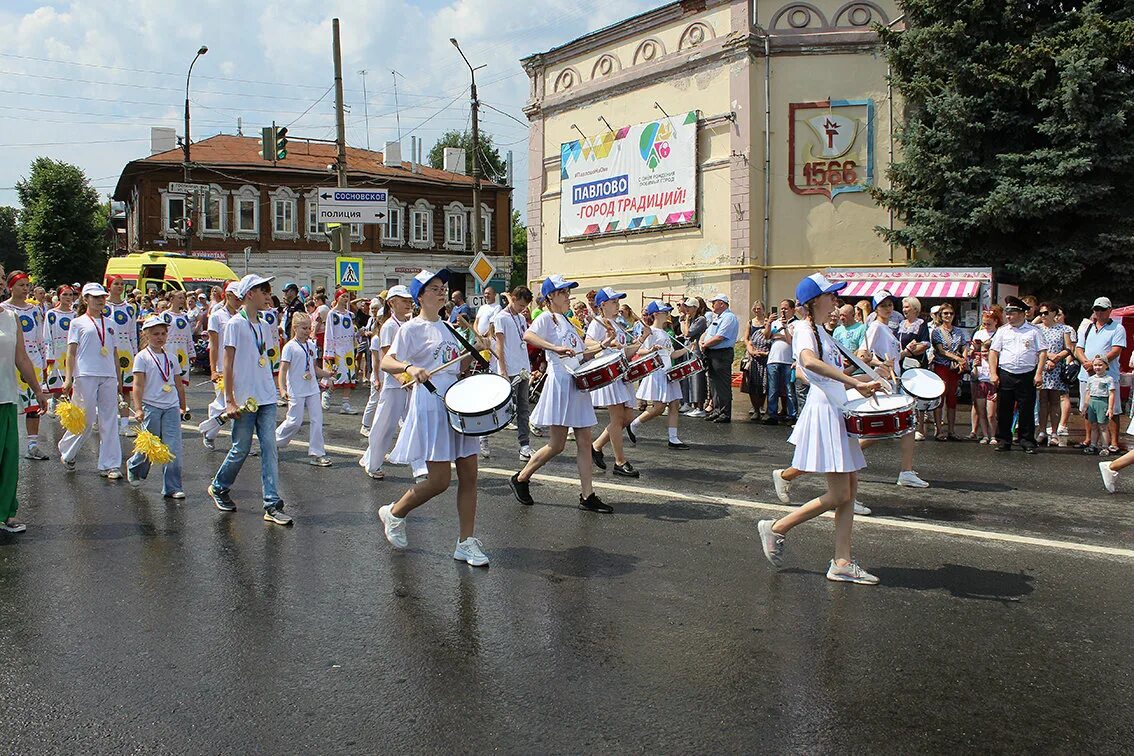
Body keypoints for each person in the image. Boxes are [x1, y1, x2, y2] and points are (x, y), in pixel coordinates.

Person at [756, 273, 883, 585]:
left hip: (836, 408)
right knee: (840, 493)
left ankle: (842, 561)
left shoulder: (825, 332)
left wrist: (868, 374)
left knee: (849, 492)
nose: (836, 301)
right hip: (826, 412)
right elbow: (809, 363)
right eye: (831, 296)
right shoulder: (803, 329)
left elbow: (829, 371)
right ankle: (777, 527)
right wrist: (854, 381)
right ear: (814, 302)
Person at [377, 269, 488, 566]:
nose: (441, 292)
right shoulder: (411, 329)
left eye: (443, 288)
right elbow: (387, 360)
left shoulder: (450, 327)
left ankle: (466, 542)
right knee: (439, 481)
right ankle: (395, 512)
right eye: (435, 288)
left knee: (470, 475)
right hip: (431, 403)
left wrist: (476, 350)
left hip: (458, 403)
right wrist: (409, 368)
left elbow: (454, 366)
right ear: (420, 296)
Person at [510, 274, 614, 513]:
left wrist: (605, 343)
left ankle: (588, 496)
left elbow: (582, 353)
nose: (568, 297)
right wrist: (554, 347)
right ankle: (521, 478)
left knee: (585, 442)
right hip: (561, 382)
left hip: (576, 382)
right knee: (557, 445)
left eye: (568, 292)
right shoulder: (547, 317)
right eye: (563, 293)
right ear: (551, 297)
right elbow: (528, 336)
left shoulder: (568, 321)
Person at [207, 274, 291, 525]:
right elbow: (228, 363)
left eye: (268, 291)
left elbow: (263, 359)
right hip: (245, 400)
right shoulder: (234, 324)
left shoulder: (263, 324)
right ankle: (219, 486)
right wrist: (229, 400)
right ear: (249, 294)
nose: (268, 296)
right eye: (263, 291)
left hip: (265, 397)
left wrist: (275, 388)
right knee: (240, 448)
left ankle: (272, 503)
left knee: (269, 448)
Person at [58, 283, 124, 478]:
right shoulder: (77, 323)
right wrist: (68, 378)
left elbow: (114, 353)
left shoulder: (111, 324)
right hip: (85, 373)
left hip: (108, 374)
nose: (100, 300)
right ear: (85, 299)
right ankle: (67, 450)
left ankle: (109, 465)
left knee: (109, 419)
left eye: (102, 297)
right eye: (95, 297)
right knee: (85, 419)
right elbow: (71, 353)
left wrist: (118, 379)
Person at [0, 280, 49, 533]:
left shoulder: (11, 317)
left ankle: (6, 513)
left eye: (0, 277)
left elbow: (21, 357)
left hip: (6, 397)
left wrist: (38, 390)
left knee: (8, 460)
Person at [126, 316, 188, 496]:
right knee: (150, 444)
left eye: (163, 333)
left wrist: (182, 406)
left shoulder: (171, 357)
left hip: (171, 406)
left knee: (173, 447)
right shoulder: (142, 357)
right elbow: (137, 385)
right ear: (146, 335)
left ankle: (173, 487)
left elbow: (178, 383)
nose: (160, 337)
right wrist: (138, 408)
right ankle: (135, 467)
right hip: (150, 406)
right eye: (155, 334)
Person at [586, 287, 643, 476]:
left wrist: (642, 339)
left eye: (618, 302)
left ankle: (596, 446)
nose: (617, 305)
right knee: (618, 419)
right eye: (614, 302)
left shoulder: (616, 323)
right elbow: (587, 345)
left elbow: (625, 351)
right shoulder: (599, 323)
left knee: (627, 417)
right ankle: (620, 461)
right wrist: (606, 343)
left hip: (621, 373)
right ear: (603, 305)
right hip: (609, 373)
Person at [360, 285, 414, 479]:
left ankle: (420, 467)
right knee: (385, 426)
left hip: (409, 383)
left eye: (409, 300)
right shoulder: (390, 326)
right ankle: (372, 464)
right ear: (392, 303)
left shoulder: (409, 323)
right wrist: (402, 378)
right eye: (404, 300)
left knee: (413, 423)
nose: (409, 303)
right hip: (394, 384)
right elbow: (386, 358)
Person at [627, 301, 690, 449]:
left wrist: (687, 349)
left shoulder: (666, 333)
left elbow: (671, 354)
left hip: (668, 372)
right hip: (658, 372)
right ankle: (633, 424)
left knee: (674, 404)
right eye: (664, 311)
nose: (668, 313)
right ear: (656, 314)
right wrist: (651, 350)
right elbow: (639, 351)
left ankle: (673, 439)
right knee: (659, 407)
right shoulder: (651, 331)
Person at [276, 313, 334, 467]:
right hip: (296, 389)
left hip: (312, 388)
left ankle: (317, 453)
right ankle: (273, 443)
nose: (308, 331)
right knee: (294, 421)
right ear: (295, 328)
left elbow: (314, 368)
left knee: (317, 420)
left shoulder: (311, 345)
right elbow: (283, 370)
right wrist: (282, 389)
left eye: (309, 328)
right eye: (304, 328)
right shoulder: (290, 347)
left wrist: (327, 374)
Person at [2, 271, 49, 459]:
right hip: (10, 360)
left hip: (32, 359)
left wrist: (44, 362)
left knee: (33, 405)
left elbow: (40, 337)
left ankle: (32, 444)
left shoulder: (34, 310)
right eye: (20, 285)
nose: (25, 289)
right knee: (10, 402)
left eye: (27, 285)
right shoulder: (3, 309)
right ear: (10, 287)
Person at [989, 296, 1046, 453]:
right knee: (1004, 409)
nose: (1008, 317)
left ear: (1021, 313)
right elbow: (993, 352)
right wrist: (993, 373)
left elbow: (1042, 353)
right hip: (1006, 373)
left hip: (1027, 374)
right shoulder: (1002, 331)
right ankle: (1004, 440)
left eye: (1012, 313)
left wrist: (1039, 373)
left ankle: (1027, 441)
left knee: (1026, 409)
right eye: (1007, 313)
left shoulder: (1034, 331)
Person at [1075, 297, 1127, 453]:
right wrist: (1086, 363)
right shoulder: (1088, 327)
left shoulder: (1118, 328)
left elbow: (1116, 350)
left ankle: (1113, 442)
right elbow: (1078, 348)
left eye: (1102, 309)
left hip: (1108, 375)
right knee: (1088, 407)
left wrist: (1098, 363)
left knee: (1112, 409)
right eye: (1096, 309)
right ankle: (1089, 439)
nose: (1099, 312)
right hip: (1087, 375)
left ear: (1110, 310)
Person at [492, 285, 536, 461]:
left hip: (523, 368)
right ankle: (483, 436)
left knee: (524, 407)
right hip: (509, 369)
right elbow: (499, 345)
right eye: (520, 306)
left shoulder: (520, 318)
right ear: (514, 299)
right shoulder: (501, 318)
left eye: (525, 307)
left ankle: (524, 445)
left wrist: (528, 367)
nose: (522, 309)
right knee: (504, 408)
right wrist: (502, 369)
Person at [202, 282, 243, 451]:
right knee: (222, 404)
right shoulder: (217, 316)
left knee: (239, 403)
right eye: (236, 297)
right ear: (227, 296)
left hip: (239, 366)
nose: (239, 301)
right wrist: (213, 370)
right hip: (222, 366)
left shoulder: (242, 316)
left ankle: (239, 442)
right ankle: (210, 432)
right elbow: (213, 345)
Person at [103, 277, 139, 437]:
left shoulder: (129, 308)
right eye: (116, 284)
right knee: (106, 387)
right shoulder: (103, 306)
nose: (119, 287)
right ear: (109, 287)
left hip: (125, 350)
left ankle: (124, 424)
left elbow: (133, 333)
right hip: (106, 349)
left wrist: (136, 352)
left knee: (125, 388)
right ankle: (104, 420)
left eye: (122, 284)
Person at [1036, 303, 1075, 444]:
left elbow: (1069, 348)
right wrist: (1047, 357)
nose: (1043, 316)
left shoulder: (1063, 329)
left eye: (1046, 313)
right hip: (1041, 367)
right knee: (1042, 401)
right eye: (1041, 313)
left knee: (1054, 401)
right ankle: (1041, 430)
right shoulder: (1037, 328)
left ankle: (1053, 432)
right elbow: (1035, 348)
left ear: (1053, 313)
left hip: (1055, 368)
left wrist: (1056, 358)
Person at [929, 303, 968, 440]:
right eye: (945, 313)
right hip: (941, 366)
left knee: (952, 399)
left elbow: (964, 346)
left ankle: (951, 430)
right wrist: (958, 358)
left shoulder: (958, 331)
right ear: (940, 315)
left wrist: (963, 359)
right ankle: (939, 430)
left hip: (955, 368)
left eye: (951, 313)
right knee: (940, 398)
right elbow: (941, 350)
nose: (948, 316)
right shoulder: (937, 332)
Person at [700, 293, 738, 423]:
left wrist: (705, 344)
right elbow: (708, 333)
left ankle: (724, 412)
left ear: (722, 303)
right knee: (714, 384)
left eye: (714, 302)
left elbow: (720, 337)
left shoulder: (729, 317)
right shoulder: (719, 317)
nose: (712, 305)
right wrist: (702, 341)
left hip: (722, 354)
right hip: (713, 353)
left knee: (722, 384)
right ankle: (717, 410)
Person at [321, 289, 359, 415]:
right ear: (337, 298)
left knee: (349, 376)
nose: (346, 299)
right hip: (337, 349)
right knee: (336, 375)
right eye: (343, 296)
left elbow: (352, 333)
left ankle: (345, 404)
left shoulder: (349, 315)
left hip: (348, 350)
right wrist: (329, 352)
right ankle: (327, 394)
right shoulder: (332, 314)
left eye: (347, 297)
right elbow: (329, 334)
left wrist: (359, 334)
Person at [763, 298, 797, 424]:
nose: (783, 311)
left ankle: (791, 414)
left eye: (786, 308)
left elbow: (790, 341)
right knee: (773, 389)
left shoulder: (797, 323)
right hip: (774, 359)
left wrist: (783, 331)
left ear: (792, 309)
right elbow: (767, 336)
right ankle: (772, 414)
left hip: (788, 360)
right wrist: (769, 324)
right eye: (781, 308)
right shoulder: (776, 322)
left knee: (789, 389)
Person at [43, 285, 76, 408]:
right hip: (57, 351)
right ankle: (54, 401)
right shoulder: (52, 314)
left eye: (70, 295)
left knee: (71, 378)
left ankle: (71, 409)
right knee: (58, 379)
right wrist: (49, 355)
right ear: (59, 296)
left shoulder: (75, 315)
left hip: (72, 351)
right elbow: (47, 335)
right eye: (65, 294)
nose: (68, 297)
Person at [679, 298, 710, 417]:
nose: (686, 309)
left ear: (695, 308)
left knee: (697, 379)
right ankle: (691, 404)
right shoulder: (691, 319)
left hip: (696, 351)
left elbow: (687, 333)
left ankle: (700, 406)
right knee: (689, 378)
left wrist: (686, 321)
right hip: (689, 349)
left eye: (689, 307)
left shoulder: (700, 320)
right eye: (685, 306)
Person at [1082, 356, 1117, 455]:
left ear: (1106, 366)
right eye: (1095, 365)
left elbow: (1111, 394)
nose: (1097, 367)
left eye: (1100, 365)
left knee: (1103, 426)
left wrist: (1110, 408)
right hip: (1093, 401)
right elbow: (1088, 393)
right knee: (1093, 425)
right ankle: (1093, 445)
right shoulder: (1091, 379)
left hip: (1103, 402)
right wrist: (1085, 406)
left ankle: (1105, 446)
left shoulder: (1109, 379)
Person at [159, 290, 194, 389]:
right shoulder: (165, 315)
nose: (182, 300)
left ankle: (180, 402)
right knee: (168, 376)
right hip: (169, 348)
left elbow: (188, 335)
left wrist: (191, 352)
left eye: (183, 298)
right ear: (171, 299)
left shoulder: (185, 315)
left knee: (181, 377)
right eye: (179, 298)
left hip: (182, 350)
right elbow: (161, 332)